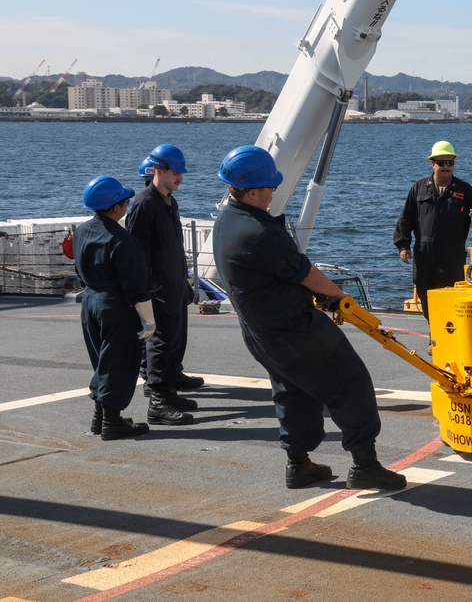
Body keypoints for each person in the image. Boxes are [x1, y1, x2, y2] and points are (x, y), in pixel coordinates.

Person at [212, 145, 406, 491]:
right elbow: (305, 273)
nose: (274, 191)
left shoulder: (227, 221)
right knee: (350, 380)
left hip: (260, 332)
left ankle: (298, 465)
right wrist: (338, 295)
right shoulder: (260, 232)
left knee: (294, 389)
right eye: (270, 186)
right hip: (293, 328)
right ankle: (366, 465)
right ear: (254, 191)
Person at [75, 176, 155, 440]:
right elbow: (136, 287)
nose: (127, 206)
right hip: (115, 306)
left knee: (102, 361)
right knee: (119, 363)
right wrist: (149, 321)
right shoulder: (122, 240)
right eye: (125, 202)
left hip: (89, 301)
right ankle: (112, 422)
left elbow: (78, 270)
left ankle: (100, 418)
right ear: (117, 207)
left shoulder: (82, 231)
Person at [126, 144, 197, 426]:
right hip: (157, 288)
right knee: (159, 342)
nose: (180, 178)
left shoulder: (169, 201)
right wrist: (147, 289)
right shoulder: (144, 204)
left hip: (174, 282)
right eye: (176, 173)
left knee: (175, 338)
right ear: (159, 171)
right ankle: (157, 401)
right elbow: (136, 251)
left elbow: (173, 247)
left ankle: (169, 389)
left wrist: (184, 280)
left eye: (181, 173)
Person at [393, 140, 472, 320]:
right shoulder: (418, 188)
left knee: (449, 300)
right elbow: (405, 217)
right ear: (432, 164)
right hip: (424, 256)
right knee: (427, 301)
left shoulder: (465, 190)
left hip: (452, 257)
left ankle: (444, 339)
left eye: (450, 162)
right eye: (441, 162)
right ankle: (435, 337)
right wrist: (403, 245)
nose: (446, 167)